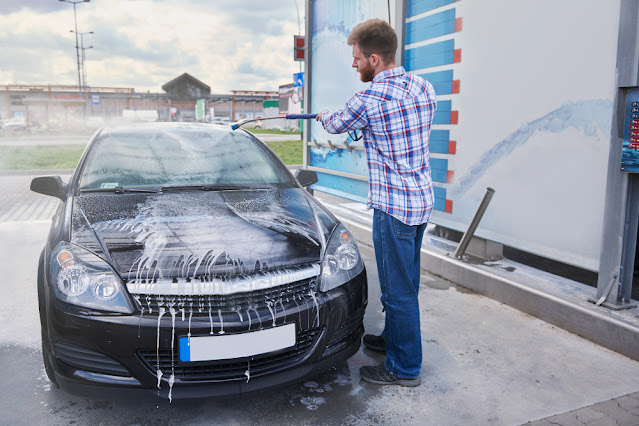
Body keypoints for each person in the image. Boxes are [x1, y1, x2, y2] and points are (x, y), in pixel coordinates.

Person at [315, 18, 437, 387]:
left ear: (374, 59)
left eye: (356, 59)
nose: (354, 65)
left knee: (397, 291)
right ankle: (393, 341)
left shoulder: (370, 97)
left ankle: (404, 368)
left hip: (394, 208)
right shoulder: (423, 86)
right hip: (420, 203)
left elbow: (336, 124)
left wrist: (323, 115)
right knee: (407, 283)